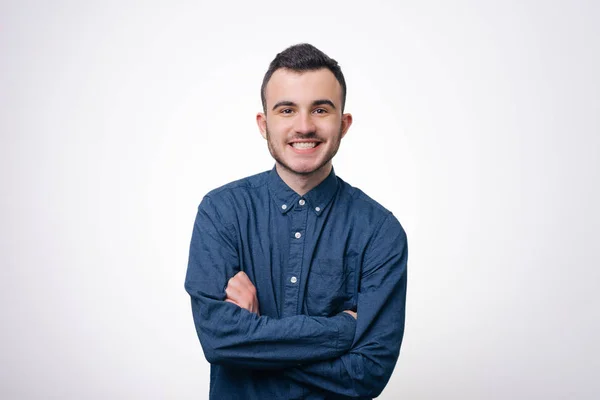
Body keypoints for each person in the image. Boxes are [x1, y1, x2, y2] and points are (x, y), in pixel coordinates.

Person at [185, 43, 408, 400]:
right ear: (264, 124)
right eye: (287, 109)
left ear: (344, 123)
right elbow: (218, 341)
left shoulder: (380, 232)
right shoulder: (221, 212)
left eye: (320, 109)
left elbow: (368, 373)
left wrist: (253, 340)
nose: (304, 126)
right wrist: (343, 330)